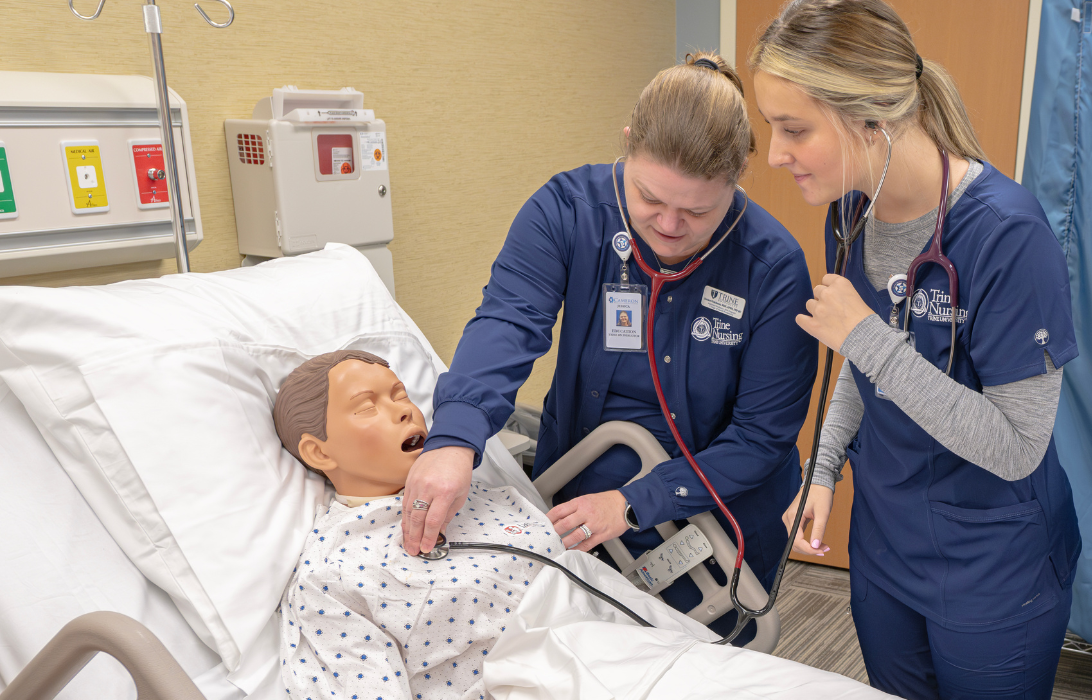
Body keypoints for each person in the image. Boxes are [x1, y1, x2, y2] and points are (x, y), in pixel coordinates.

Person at [401, 53, 817, 644]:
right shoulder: (568, 211)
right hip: (577, 498)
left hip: (717, 517)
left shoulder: (772, 267)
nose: (668, 225)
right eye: (649, 198)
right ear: (626, 144)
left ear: (739, 175)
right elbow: (509, 321)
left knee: (705, 666)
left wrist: (633, 501)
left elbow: (762, 436)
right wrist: (454, 438)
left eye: (697, 211)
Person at [751, 1, 1081, 696]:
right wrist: (822, 469)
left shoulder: (1008, 237)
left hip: (993, 564)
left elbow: (1018, 445)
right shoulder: (851, 209)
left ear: (871, 118)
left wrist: (867, 338)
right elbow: (861, 366)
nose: (775, 154)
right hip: (885, 545)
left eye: (794, 129)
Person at [271, 350, 564, 700]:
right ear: (319, 453)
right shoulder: (331, 574)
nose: (405, 411)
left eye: (400, 395)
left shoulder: (488, 497)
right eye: (367, 407)